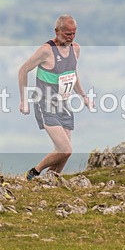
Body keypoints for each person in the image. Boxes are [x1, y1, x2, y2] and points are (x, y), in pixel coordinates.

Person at [18, 15, 92, 181]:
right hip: (45, 104)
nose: (71, 37)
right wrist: (23, 100)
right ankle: (34, 173)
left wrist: (84, 96)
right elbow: (23, 70)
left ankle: (50, 183)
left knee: (63, 154)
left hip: (64, 104)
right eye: (67, 34)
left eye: (74, 33)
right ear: (57, 31)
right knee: (65, 149)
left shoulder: (76, 49)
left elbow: (72, 75)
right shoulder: (46, 50)